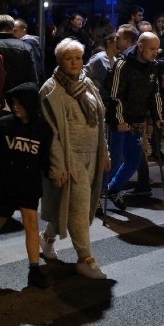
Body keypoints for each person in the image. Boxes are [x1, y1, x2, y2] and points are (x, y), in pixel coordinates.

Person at [39, 39, 110, 279]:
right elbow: (50, 133)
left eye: (78, 58)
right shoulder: (50, 90)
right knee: (79, 207)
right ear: (59, 60)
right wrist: (58, 166)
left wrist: (106, 152)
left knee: (74, 204)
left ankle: (47, 238)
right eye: (69, 58)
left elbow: (100, 121)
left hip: (93, 154)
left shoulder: (87, 83)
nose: (74, 62)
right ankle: (85, 258)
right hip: (70, 158)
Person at [0, 82, 51, 288]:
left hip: (29, 184)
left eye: (20, 103)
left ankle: (34, 270)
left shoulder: (42, 129)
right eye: (13, 103)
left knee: (31, 223)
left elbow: (45, 158)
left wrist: (53, 175)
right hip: (5, 184)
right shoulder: (3, 125)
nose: (15, 106)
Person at [104, 32, 164, 209]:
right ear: (140, 47)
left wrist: (158, 117)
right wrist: (120, 119)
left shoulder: (152, 66)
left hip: (137, 121)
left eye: (157, 49)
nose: (155, 53)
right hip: (119, 122)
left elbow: (155, 94)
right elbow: (115, 96)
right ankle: (98, 195)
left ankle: (113, 189)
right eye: (152, 49)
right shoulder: (122, 65)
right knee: (113, 161)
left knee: (134, 160)